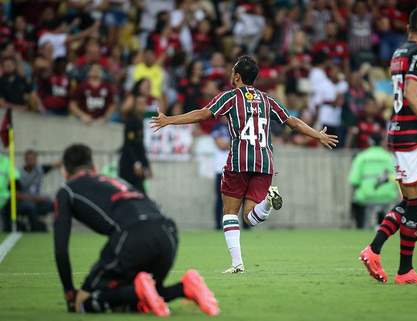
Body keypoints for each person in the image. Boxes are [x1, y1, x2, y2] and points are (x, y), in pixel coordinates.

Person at [151, 55, 338, 273]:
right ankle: (267, 202)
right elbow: (292, 122)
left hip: (239, 160)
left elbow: (203, 115)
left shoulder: (230, 97)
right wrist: (318, 135)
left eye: (232, 72)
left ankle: (237, 263)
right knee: (250, 217)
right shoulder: (268, 100)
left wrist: (169, 120)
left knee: (230, 212)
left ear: (237, 76)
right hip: (264, 162)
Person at [53, 144, 219, 316]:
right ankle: (184, 287)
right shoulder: (117, 181)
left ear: (64, 171)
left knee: (82, 304)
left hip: (133, 235)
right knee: (137, 299)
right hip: (168, 232)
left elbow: (60, 249)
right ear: (94, 168)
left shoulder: (67, 190)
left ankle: (137, 291)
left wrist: (69, 292)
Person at [359, 8, 417, 284]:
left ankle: (387, 259)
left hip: (398, 132)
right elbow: (410, 92)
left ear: (409, 27)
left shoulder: (398, 54)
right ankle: (391, 261)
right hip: (415, 133)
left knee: (412, 202)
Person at [348, 135, 398, 229]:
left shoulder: (362, 157)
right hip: (387, 195)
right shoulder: (389, 156)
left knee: (357, 203)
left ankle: (362, 227)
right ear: (382, 142)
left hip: (366, 195)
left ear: (370, 142)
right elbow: (397, 177)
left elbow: (354, 180)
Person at [18, 150, 59, 231]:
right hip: (22, 202)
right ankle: (35, 229)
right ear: (25, 160)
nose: (31, 161)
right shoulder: (18, 173)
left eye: (33, 159)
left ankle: (57, 228)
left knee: (54, 204)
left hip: (37, 201)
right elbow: (16, 194)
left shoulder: (39, 169)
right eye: (29, 159)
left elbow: (51, 166)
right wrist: (34, 198)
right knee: (31, 207)